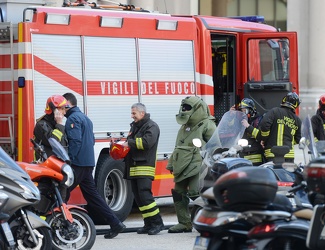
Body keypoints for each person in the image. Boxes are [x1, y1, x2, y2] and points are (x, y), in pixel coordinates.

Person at [63, 92, 125, 239]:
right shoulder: (85, 118)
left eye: (62, 106)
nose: (60, 109)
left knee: (61, 192)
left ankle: (63, 225)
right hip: (87, 163)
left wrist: (69, 160)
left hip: (78, 163)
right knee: (93, 197)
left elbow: (75, 142)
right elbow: (91, 140)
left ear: (68, 104)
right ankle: (115, 223)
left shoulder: (72, 119)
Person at [166, 96, 216, 233]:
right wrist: (172, 164)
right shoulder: (184, 126)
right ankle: (184, 223)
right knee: (178, 192)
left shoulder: (207, 124)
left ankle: (211, 219)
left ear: (198, 109)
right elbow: (178, 146)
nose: (184, 110)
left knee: (195, 192)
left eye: (188, 108)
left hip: (198, 164)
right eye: (183, 107)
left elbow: (215, 147)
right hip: (182, 164)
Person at [122, 103, 164, 235]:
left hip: (144, 166)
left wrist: (130, 142)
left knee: (145, 196)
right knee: (139, 198)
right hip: (134, 166)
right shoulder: (135, 126)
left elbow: (146, 143)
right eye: (132, 113)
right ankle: (148, 223)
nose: (132, 116)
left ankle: (157, 223)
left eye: (134, 113)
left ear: (142, 113)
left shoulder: (151, 126)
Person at [248, 92, 302, 162]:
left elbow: (264, 125)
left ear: (284, 100)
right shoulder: (297, 119)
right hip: (288, 155)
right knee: (287, 173)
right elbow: (298, 139)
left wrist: (264, 139)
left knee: (273, 172)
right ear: (296, 105)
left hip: (272, 153)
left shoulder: (274, 112)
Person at [33, 95, 69, 160]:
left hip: (58, 164)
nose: (64, 112)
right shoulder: (41, 125)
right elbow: (53, 142)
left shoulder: (56, 125)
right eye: (62, 109)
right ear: (54, 110)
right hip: (45, 165)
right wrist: (59, 124)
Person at [231, 98, 265, 166]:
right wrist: (231, 116)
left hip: (255, 157)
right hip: (242, 155)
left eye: (245, 111)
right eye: (241, 111)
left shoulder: (259, 121)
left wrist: (248, 126)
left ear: (251, 111)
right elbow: (230, 128)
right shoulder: (241, 121)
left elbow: (260, 136)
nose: (243, 113)